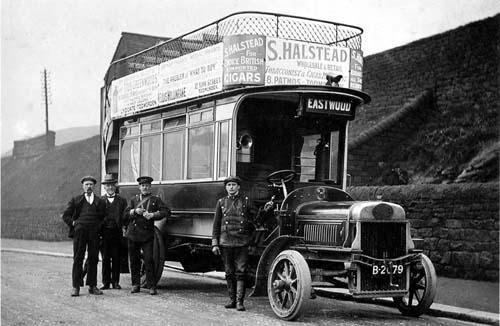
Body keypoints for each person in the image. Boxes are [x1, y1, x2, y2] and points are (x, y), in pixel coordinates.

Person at [211, 176, 259, 311]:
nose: (231, 187)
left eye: (234, 185)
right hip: (225, 242)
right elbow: (216, 225)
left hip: (242, 242)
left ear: (238, 187)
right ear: (226, 187)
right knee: (228, 272)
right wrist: (215, 243)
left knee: (241, 272)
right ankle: (232, 300)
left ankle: (239, 302)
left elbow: (256, 219)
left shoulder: (246, 201)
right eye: (229, 185)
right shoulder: (221, 202)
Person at [123, 176, 170, 295]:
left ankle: (151, 286)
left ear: (150, 187)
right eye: (143, 186)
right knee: (134, 260)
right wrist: (134, 211)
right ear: (139, 187)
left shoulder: (155, 200)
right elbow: (125, 214)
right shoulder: (134, 200)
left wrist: (153, 215)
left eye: (147, 186)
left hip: (147, 234)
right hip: (133, 233)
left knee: (149, 260)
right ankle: (135, 285)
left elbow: (167, 211)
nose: (145, 188)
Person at [62, 176, 105, 297]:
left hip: (94, 233)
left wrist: (98, 227)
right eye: (86, 184)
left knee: (93, 259)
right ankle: (76, 287)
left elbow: (103, 217)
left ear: (94, 186)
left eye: (91, 184)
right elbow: (66, 215)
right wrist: (74, 223)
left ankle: (92, 286)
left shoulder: (99, 201)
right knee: (78, 258)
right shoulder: (76, 200)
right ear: (83, 186)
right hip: (80, 233)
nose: (89, 186)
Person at [100, 174, 127, 290]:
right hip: (104, 233)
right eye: (108, 185)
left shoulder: (122, 200)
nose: (110, 187)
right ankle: (105, 282)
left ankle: (115, 282)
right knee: (105, 258)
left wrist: (124, 228)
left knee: (116, 257)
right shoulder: (100, 200)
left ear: (115, 186)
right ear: (104, 187)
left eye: (112, 185)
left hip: (117, 232)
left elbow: (125, 216)